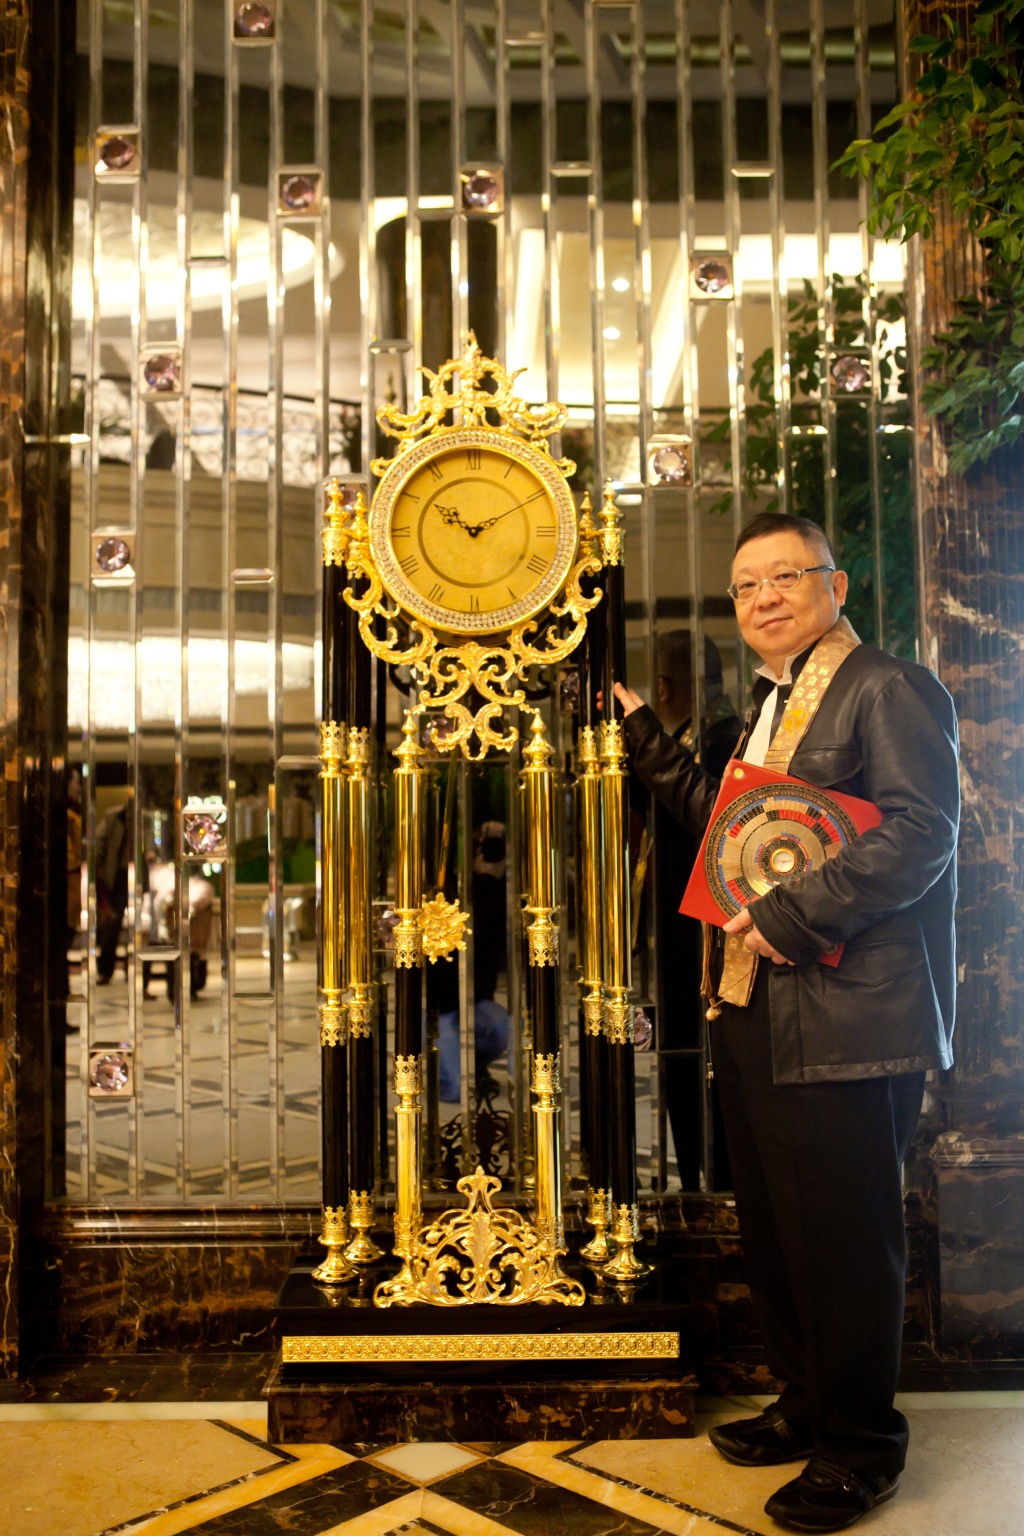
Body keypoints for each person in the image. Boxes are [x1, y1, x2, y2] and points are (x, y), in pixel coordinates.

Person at [613, 511, 959, 1534]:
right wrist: (638, 732)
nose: (764, 597)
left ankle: (859, 1449)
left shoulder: (884, 687)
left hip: (848, 1015)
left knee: (847, 1239)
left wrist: (785, 915)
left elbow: (922, 833)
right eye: (746, 586)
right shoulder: (768, 709)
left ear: (834, 584)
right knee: (778, 1229)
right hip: (761, 1007)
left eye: (786, 578)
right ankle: (806, 1406)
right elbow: (730, 840)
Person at [648, 631, 740, 1188]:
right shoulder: (691, 735)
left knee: (703, 1062)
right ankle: (694, 1176)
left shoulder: (722, 738)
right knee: (679, 1058)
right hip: (675, 926)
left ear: (666, 686)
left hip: (703, 930)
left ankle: (715, 1185)